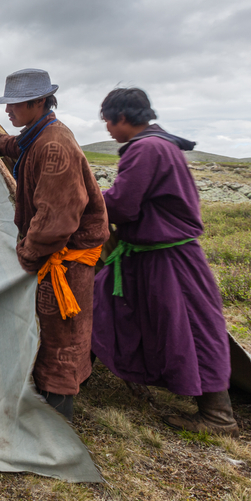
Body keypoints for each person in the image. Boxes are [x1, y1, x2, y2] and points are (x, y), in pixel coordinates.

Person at [92, 87, 236, 436]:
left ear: (123, 118)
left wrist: (86, 197)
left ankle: (218, 417)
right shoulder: (160, 146)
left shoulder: (146, 149)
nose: (108, 131)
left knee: (190, 326)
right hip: (154, 255)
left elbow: (124, 205)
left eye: (109, 123)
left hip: (169, 258)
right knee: (139, 315)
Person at [0, 68, 108, 420]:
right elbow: (16, 145)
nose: (8, 111)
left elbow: (55, 220)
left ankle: (58, 414)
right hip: (54, 252)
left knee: (61, 333)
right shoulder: (41, 134)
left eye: (14, 105)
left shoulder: (55, 147)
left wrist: (27, 256)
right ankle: (50, 397)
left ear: (38, 102)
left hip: (64, 256)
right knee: (52, 328)